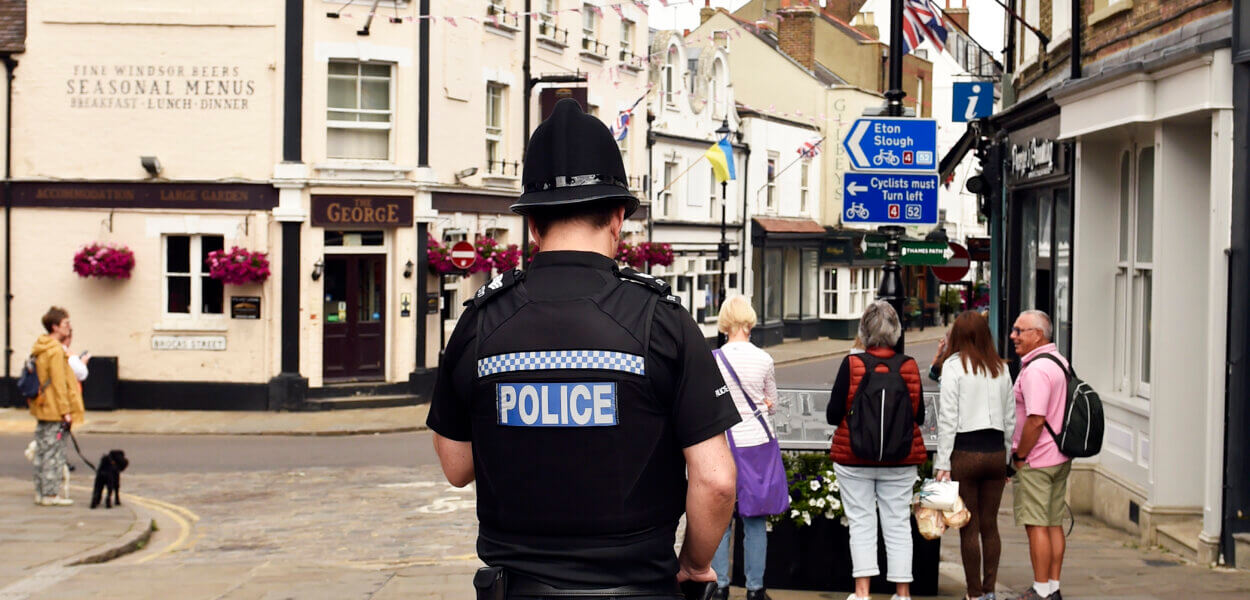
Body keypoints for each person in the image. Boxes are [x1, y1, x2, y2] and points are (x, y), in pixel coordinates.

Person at [426, 99, 740, 600]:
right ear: (618, 217)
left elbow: (456, 468)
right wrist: (694, 564)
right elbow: (718, 479)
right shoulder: (663, 321)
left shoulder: (479, 322)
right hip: (640, 589)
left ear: (532, 223)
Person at [826, 301, 927, 600]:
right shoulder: (908, 366)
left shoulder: (852, 364)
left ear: (863, 331)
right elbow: (918, 415)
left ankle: (862, 593)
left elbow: (834, 414)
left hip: (853, 457)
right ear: (896, 332)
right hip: (901, 458)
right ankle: (903, 593)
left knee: (861, 522)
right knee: (897, 523)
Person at [933, 312, 1015, 600]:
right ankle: (990, 590)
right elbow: (1011, 418)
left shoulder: (953, 366)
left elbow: (948, 419)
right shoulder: (1001, 368)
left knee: (967, 526)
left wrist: (942, 463)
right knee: (990, 526)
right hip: (995, 453)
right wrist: (1007, 462)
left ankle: (974, 593)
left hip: (964, 452)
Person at [709, 295, 779, 600]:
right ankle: (754, 590)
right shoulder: (764, 359)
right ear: (749, 320)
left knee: (720, 520)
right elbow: (772, 404)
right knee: (755, 520)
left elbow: (708, 403)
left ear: (725, 322)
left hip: (724, 444)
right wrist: (763, 404)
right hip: (757, 445)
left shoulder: (713, 359)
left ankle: (719, 585)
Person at [1008, 310, 1070, 600]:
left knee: (1037, 526)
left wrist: (1020, 456)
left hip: (1037, 459)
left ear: (1038, 335)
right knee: (1054, 521)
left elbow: (1036, 419)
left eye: (1020, 331)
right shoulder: (1060, 362)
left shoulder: (1035, 370)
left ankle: (1041, 590)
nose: (1013, 336)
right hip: (1059, 457)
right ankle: (1054, 587)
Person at [29, 306, 85, 506]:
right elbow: (59, 384)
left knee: (42, 451)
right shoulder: (54, 351)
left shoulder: (41, 347)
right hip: (55, 409)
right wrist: (66, 412)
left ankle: (40, 492)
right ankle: (51, 495)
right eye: (65, 324)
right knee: (54, 452)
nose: (69, 327)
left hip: (43, 406)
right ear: (55, 327)